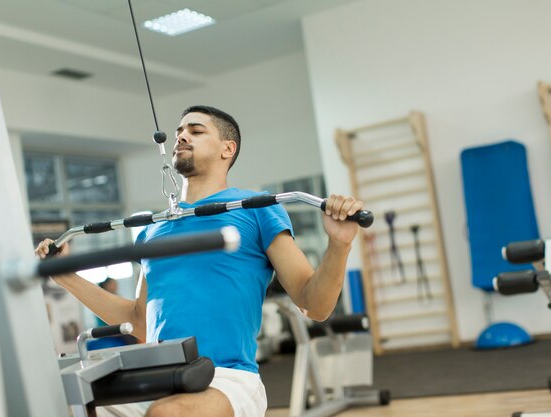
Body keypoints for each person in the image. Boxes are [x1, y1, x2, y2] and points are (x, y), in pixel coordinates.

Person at [35, 105, 364, 417]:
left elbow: (316, 305)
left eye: (196, 130)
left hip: (226, 378)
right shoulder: (152, 229)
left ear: (227, 149)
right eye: (179, 131)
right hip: (157, 375)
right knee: (65, 405)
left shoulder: (256, 209)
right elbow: (140, 322)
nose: (181, 137)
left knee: (169, 414)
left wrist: (339, 243)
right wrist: (66, 277)